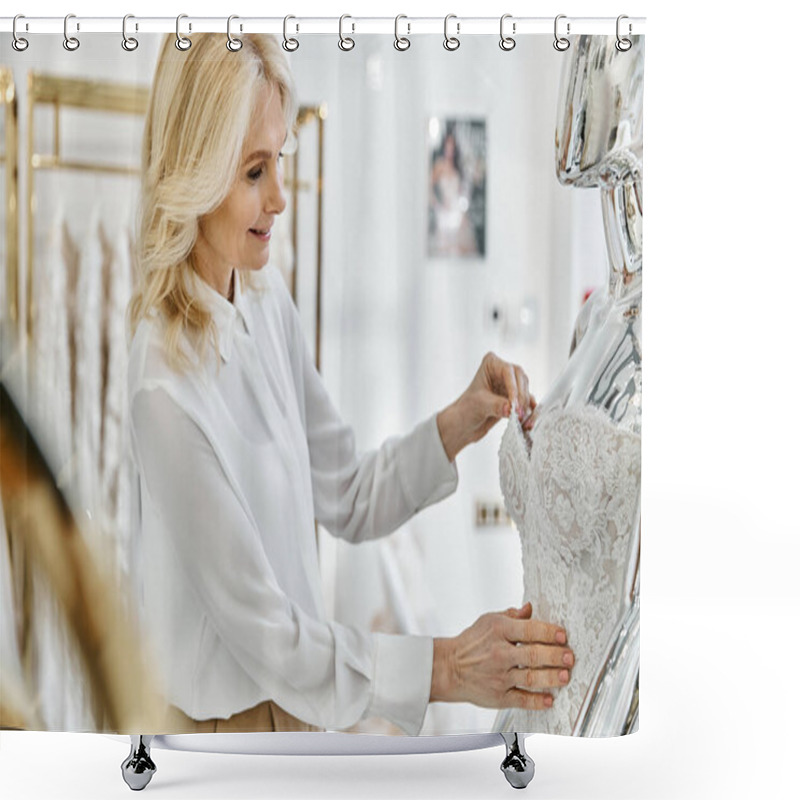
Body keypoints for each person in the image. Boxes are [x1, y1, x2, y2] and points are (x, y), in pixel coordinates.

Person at [126, 33, 573, 736]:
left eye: (280, 161)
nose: (279, 197)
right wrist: (451, 666)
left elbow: (350, 495)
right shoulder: (165, 389)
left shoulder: (265, 302)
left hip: (298, 714)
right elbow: (270, 636)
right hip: (221, 741)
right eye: (252, 172)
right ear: (194, 174)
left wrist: (460, 420)